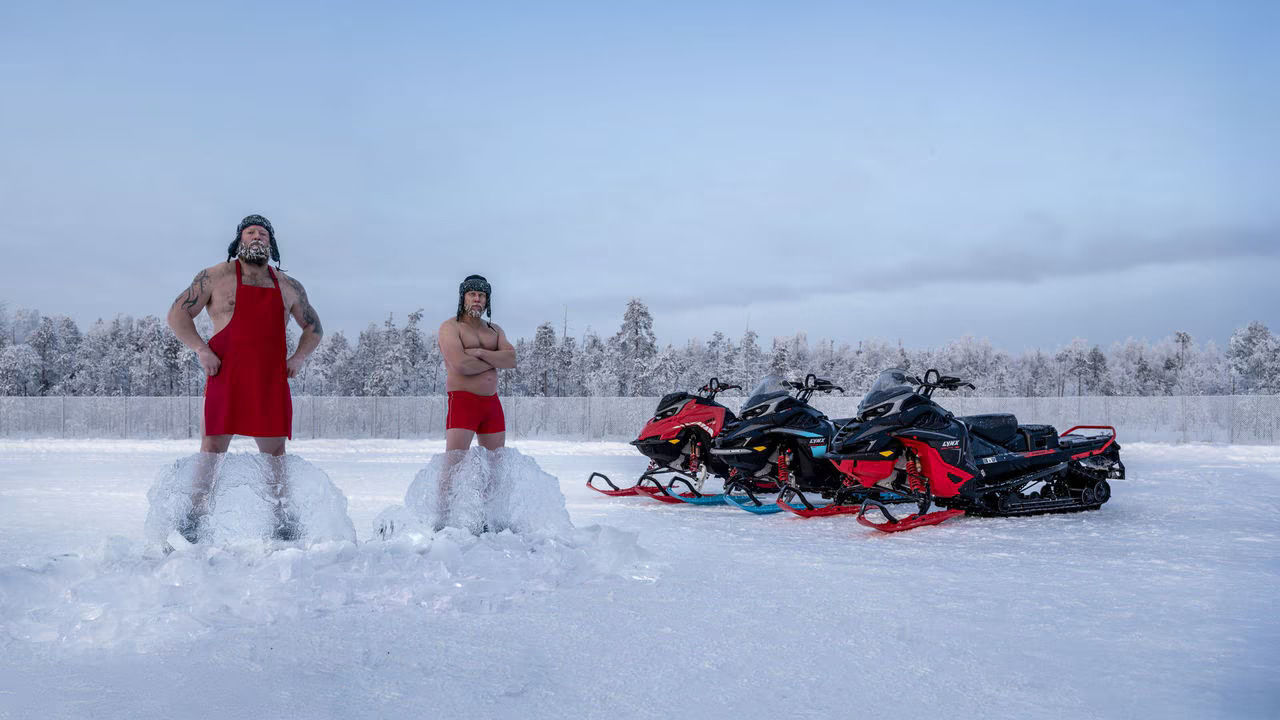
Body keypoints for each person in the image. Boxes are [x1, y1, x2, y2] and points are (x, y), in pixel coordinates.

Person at [165, 214, 323, 542]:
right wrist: (201, 349)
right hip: (227, 373)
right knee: (211, 448)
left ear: (271, 243)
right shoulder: (216, 276)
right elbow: (177, 313)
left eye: (263, 234)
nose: (257, 237)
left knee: (275, 453)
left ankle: (282, 523)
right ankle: (192, 522)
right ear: (239, 240)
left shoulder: (288, 285)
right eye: (250, 232)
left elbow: (314, 328)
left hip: (269, 378)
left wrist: (298, 357)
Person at [437, 275, 517, 451]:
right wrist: (496, 358)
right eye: (471, 293)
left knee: (496, 464)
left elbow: (511, 359)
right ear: (463, 297)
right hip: (463, 401)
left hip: (491, 403)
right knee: (454, 465)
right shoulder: (451, 327)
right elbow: (461, 365)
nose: (477, 299)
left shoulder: (494, 329)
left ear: (487, 300)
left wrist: (480, 353)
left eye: (481, 295)